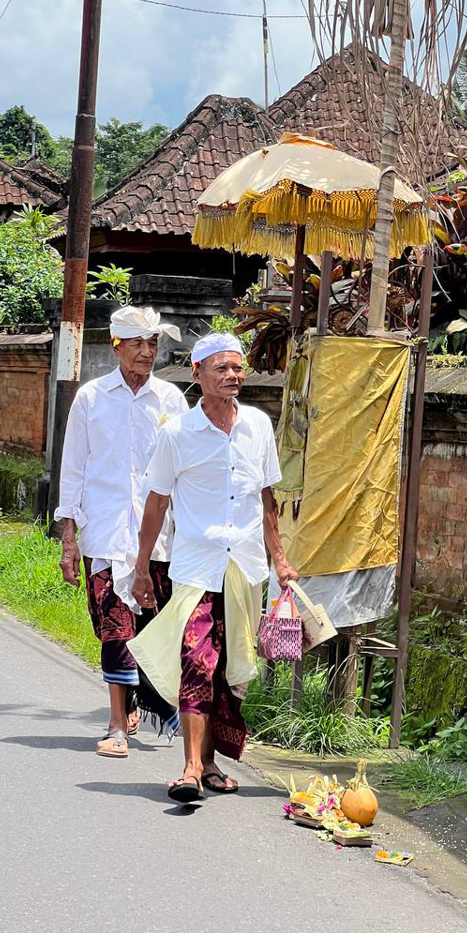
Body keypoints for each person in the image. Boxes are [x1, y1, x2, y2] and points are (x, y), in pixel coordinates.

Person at [129, 332, 297, 802]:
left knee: (231, 670)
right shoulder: (176, 434)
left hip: (245, 568)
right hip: (196, 568)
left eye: (237, 368)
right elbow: (156, 504)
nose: (233, 376)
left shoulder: (260, 426)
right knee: (196, 662)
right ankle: (187, 769)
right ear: (198, 374)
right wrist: (142, 568)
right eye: (221, 368)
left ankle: (209, 763)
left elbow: (266, 499)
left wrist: (280, 560)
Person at [55, 306, 188, 758]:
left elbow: (184, 470)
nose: (147, 353)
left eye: (153, 344)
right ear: (117, 347)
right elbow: (72, 470)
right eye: (138, 344)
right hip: (106, 531)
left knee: (150, 625)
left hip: (157, 536)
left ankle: (138, 699)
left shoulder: (170, 400)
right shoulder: (91, 399)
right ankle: (116, 723)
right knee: (113, 625)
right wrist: (69, 541)